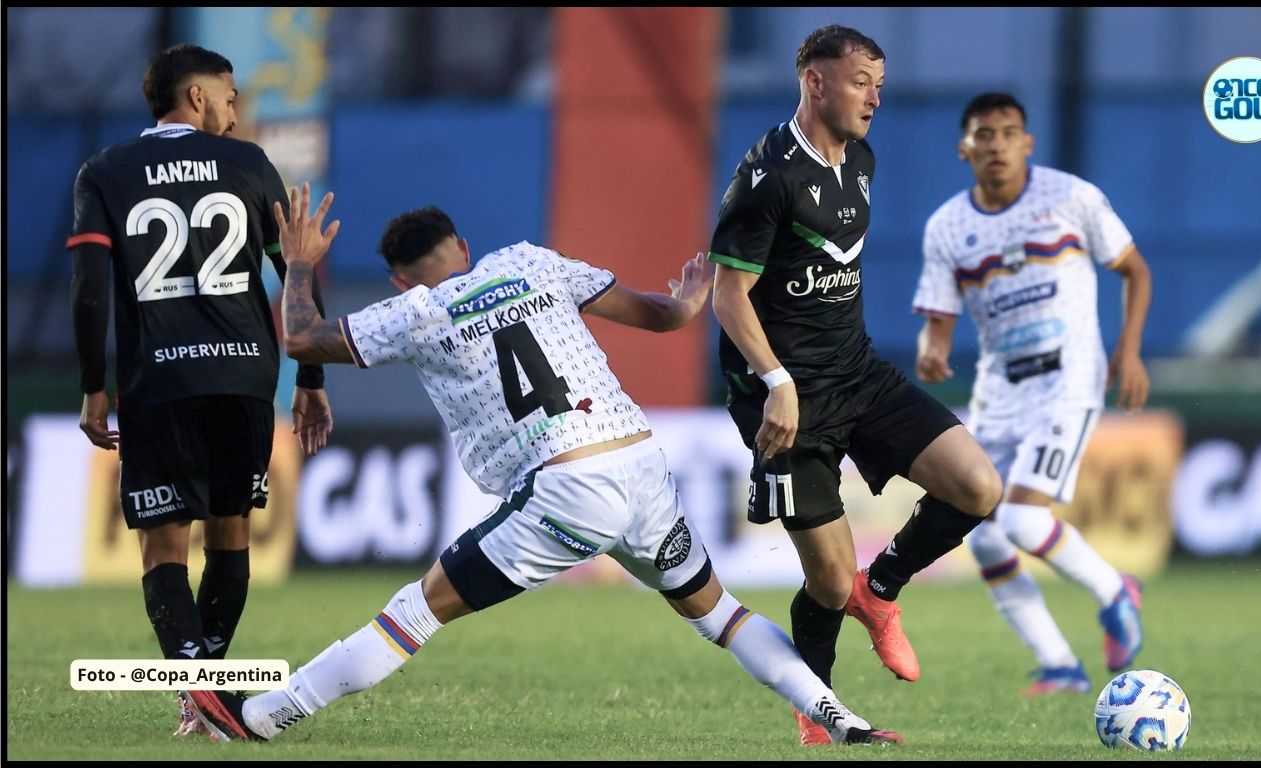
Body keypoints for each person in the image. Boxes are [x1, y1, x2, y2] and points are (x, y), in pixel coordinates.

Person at [186, 187, 902, 746]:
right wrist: (690, 295)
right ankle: (840, 719)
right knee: (721, 613)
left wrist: (302, 263)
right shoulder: (530, 261)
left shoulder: (418, 311)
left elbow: (302, 336)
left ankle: (263, 716)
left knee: (417, 611)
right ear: (464, 246)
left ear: (403, 280)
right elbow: (662, 314)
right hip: (640, 465)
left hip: (565, 489)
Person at [706, 24, 1003, 745]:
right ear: (815, 81)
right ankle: (819, 710)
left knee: (978, 487)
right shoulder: (766, 175)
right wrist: (776, 381)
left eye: (879, 82)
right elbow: (727, 295)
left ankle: (886, 588)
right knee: (828, 583)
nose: (875, 96)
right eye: (860, 80)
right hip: (784, 398)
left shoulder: (862, 159)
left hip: (857, 372)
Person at [68, 43, 335, 736]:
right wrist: (309, 374)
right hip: (244, 377)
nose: (235, 107)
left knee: (164, 551)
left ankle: (198, 697)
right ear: (195, 97)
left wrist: (94, 387)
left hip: (158, 381)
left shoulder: (105, 172)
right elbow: (298, 270)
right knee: (232, 538)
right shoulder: (247, 163)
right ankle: (211, 696)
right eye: (229, 93)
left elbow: (89, 286)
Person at [912, 92, 1150, 695]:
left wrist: (1128, 349)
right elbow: (939, 320)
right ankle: (1060, 665)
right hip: (998, 391)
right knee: (984, 532)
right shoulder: (947, 226)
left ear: (1027, 143)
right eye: (983, 135)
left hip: (1067, 380)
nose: (996, 145)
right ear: (964, 148)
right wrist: (931, 349)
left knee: (1019, 518)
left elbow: (1135, 270)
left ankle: (1112, 589)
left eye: (1008, 133)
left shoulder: (1070, 197)